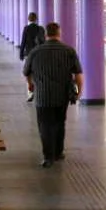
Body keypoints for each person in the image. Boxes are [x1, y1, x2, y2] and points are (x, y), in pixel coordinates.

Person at [23, 22, 83, 168]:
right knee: (59, 123)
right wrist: (79, 92)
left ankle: (48, 157)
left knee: (45, 126)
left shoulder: (35, 51)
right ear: (59, 33)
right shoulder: (69, 51)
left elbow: (26, 72)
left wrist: (31, 84)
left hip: (43, 96)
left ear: (45, 35)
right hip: (62, 96)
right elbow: (78, 75)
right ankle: (58, 152)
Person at [18, 12, 46, 102]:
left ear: (28, 19)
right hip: (39, 54)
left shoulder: (26, 29)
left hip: (29, 54)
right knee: (38, 72)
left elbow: (23, 42)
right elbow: (44, 42)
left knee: (28, 73)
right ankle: (39, 91)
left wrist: (21, 54)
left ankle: (30, 92)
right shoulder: (40, 29)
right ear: (36, 19)